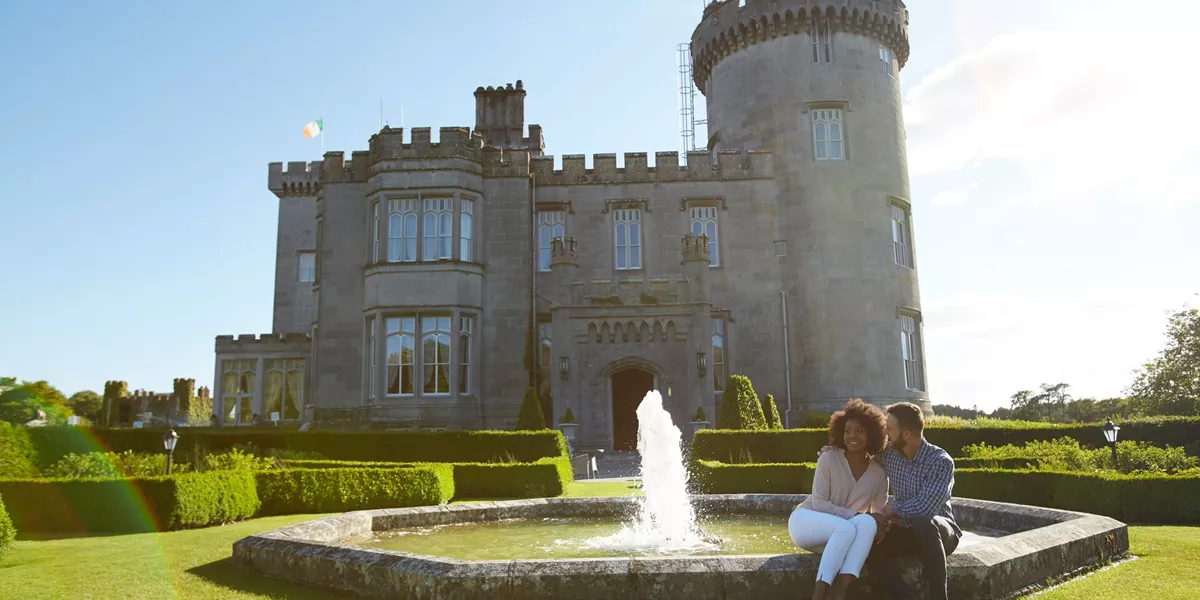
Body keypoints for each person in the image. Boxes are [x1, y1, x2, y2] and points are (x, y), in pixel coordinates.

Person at [788, 399, 890, 600]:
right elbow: (819, 503)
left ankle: (840, 591)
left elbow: (878, 513)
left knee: (867, 522)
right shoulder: (829, 458)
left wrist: (886, 522)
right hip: (806, 522)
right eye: (847, 430)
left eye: (860, 431)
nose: (852, 436)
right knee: (849, 526)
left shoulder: (879, 473)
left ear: (871, 435)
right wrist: (854, 515)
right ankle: (818, 595)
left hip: (842, 536)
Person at [866, 402, 962, 600]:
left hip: (940, 532)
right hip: (906, 531)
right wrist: (833, 451)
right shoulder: (889, 454)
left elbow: (925, 509)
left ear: (906, 434)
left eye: (890, 429)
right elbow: (859, 454)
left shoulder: (940, 461)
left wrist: (892, 507)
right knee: (866, 542)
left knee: (923, 522)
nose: (886, 433)